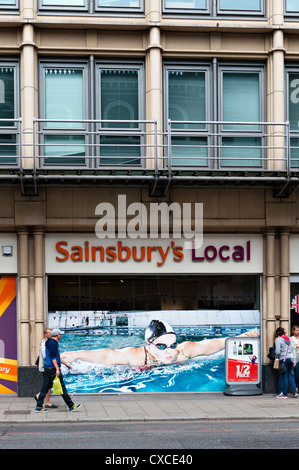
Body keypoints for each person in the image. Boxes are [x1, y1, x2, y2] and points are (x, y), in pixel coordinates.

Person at [61, 319, 259, 368]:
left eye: (172, 345)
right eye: (162, 346)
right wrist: (77, 354)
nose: (169, 352)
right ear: (149, 345)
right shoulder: (137, 355)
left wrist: (240, 337)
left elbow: (210, 345)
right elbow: (108, 355)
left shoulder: (183, 352)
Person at [35, 328, 82, 413]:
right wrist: (57, 369)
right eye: (60, 334)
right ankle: (71, 406)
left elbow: (56, 356)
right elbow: (53, 357)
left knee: (45, 388)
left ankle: (38, 407)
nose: (61, 335)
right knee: (62, 388)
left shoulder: (49, 342)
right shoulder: (53, 343)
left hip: (48, 368)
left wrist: (66, 364)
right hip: (52, 369)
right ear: (57, 335)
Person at [34, 327, 57, 409]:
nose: (51, 335)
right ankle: (41, 398)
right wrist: (54, 358)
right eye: (50, 333)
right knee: (47, 385)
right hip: (45, 368)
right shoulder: (44, 343)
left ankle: (46, 401)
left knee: (48, 385)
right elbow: (44, 356)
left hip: (47, 367)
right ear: (45, 334)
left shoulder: (48, 342)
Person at [275, 327, 298, 399]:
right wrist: (294, 360)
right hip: (291, 358)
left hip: (284, 359)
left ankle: (284, 394)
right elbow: (293, 349)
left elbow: (278, 351)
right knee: (289, 376)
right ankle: (294, 392)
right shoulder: (288, 339)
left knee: (284, 375)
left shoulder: (278, 339)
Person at [291, 325, 299, 391]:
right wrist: (296, 346)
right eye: (297, 330)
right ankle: (296, 387)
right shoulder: (291, 339)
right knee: (297, 373)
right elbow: (290, 348)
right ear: (293, 331)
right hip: (296, 358)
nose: (298, 332)